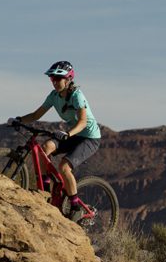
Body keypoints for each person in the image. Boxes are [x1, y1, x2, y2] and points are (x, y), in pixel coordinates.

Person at [10, 60, 104, 223]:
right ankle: (46, 191)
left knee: (64, 166)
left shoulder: (76, 95)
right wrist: (19, 120)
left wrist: (68, 133)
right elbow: (36, 115)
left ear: (68, 79)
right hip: (72, 134)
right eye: (52, 79)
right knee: (45, 147)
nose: (54, 82)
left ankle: (75, 207)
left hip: (89, 137)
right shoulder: (54, 96)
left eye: (58, 79)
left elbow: (82, 122)